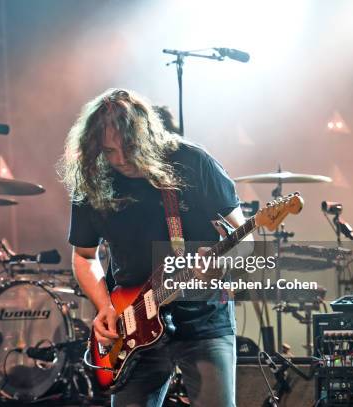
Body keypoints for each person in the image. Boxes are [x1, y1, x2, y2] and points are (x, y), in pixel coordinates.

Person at [59, 88, 249, 407]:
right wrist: (104, 306)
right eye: (108, 151)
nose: (119, 160)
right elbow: (84, 256)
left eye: (129, 148)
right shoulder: (93, 178)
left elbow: (245, 239)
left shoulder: (192, 162)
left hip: (202, 320)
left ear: (147, 136)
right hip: (131, 323)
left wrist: (222, 265)